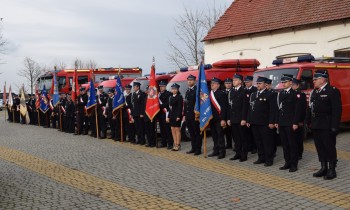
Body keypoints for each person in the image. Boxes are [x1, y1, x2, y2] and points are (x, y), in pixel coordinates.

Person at [306, 70, 341, 180]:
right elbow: (311, 108)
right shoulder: (315, 92)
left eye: (315, 79)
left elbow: (337, 110)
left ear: (322, 79)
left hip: (327, 125)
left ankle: (332, 169)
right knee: (320, 147)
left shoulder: (332, 91)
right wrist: (308, 121)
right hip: (316, 124)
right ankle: (323, 167)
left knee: (329, 147)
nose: (313, 81)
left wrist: (335, 126)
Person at [275, 74, 303, 172]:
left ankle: (294, 164)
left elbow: (297, 110)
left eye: (285, 82)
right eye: (282, 82)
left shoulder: (296, 94)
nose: (283, 84)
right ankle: (287, 162)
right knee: (285, 144)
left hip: (291, 123)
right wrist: (277, 121)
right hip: (282, 122)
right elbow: (278, 109)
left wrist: (295, 122)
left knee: (292, 144)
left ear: (291, 82)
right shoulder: (281, 93)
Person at [247, 77, 277, 166]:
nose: (258, 85)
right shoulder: (253, 94)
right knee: (258, 141)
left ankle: (269, 159)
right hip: (254, 122)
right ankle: (261, 157)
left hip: (265, 122)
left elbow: (273, 109)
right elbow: (250, 108)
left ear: (265, 84)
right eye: (257, 83)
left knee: (267, 142)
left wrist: (271, 122)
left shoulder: (270, 94)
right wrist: (249, 119)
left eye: (260, 83)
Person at [228, 74, 248, 162]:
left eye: (235, 80)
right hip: (233, 118)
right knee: (236, 138)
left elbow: (245, 106)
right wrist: (228, 118)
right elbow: (229, 106)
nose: (233, 82)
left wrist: (244, 119)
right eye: (233, 80)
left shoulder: (244, 91)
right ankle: (238, 153)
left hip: (240, 119)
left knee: (243, 138)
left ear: (240, 81)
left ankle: (244, 155)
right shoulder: (231, 91)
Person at [208, 77, 228, 159]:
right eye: (211, 83)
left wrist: (223, 119)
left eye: (214, 83)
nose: (212, 84)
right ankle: (215, 150)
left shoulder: (221, 93)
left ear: (218, 85)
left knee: (220, 136)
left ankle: (222, 152)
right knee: (214, 135)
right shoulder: (209, 94)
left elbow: (224, 107)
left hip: (219, 118)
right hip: (211, 118)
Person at [184, 75, 201, 155]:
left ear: (194, 81)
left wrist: (197, 114)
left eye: (191, 80)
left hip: (195, 115)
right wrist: (184, 115)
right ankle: (193, 148)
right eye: (188, 80)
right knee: (191, 133)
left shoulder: (197, 90)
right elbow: (186, 104)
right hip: (188, 116)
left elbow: (199, 103)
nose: (189, 81)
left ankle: (198, 149)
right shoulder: (188, 91)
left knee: (196, 133)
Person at [291, 78, 307, 160]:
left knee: (298, 138)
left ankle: (299, 153)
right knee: (293, 138)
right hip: (292, 119)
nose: (292, 86)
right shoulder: (291, 93)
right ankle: (295, 153)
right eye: (291, 85)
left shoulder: (301, 94)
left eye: (293, 85)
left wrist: (300, 121)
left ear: (297, 85)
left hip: (298, 120)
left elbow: (302, 109)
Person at [167, 83, 183, 151]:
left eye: (175, 89)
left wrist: (179, 116)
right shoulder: (170, 97)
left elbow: (180, 107)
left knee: (177, 130)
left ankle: (178, 144)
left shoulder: (179, 97)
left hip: (177, 116)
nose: (174, 90)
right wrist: (168, 116)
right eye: (172, 89)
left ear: (177, 89)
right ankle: (175, 143)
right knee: (172, 130)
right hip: (172, 115)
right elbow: (169, 108)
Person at [244, 76, 257, 154]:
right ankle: (249, 146)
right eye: (245, 82)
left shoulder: (255, 90)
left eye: (247, 82)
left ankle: (254, 147)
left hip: (252, 113)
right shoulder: (244, 90)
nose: (246, 83)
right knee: (247, 132)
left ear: (252, 82)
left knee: (253, 133)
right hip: (245, 113)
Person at [158, 81, 173, 149]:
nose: (161, 88)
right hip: (160, 114)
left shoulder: (168, 94)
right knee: (162, 129)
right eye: (160, 86)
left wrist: (160, 106)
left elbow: (168, 104)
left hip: (166, 113)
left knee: (168, 129)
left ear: (165, 86)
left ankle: (170, 143)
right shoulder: (158, 94)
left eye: (162, 86)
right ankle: (163, 142)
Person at [223, 78, 233, 150]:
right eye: (226, 83)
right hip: (225, 113)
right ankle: (229, 144)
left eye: (229, 83)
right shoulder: (222, 92)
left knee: (234, 132)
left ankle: (236, 144)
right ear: (224, 84)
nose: (228, 84)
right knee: (227, 131)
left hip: (232, 113)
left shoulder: (233, 91)